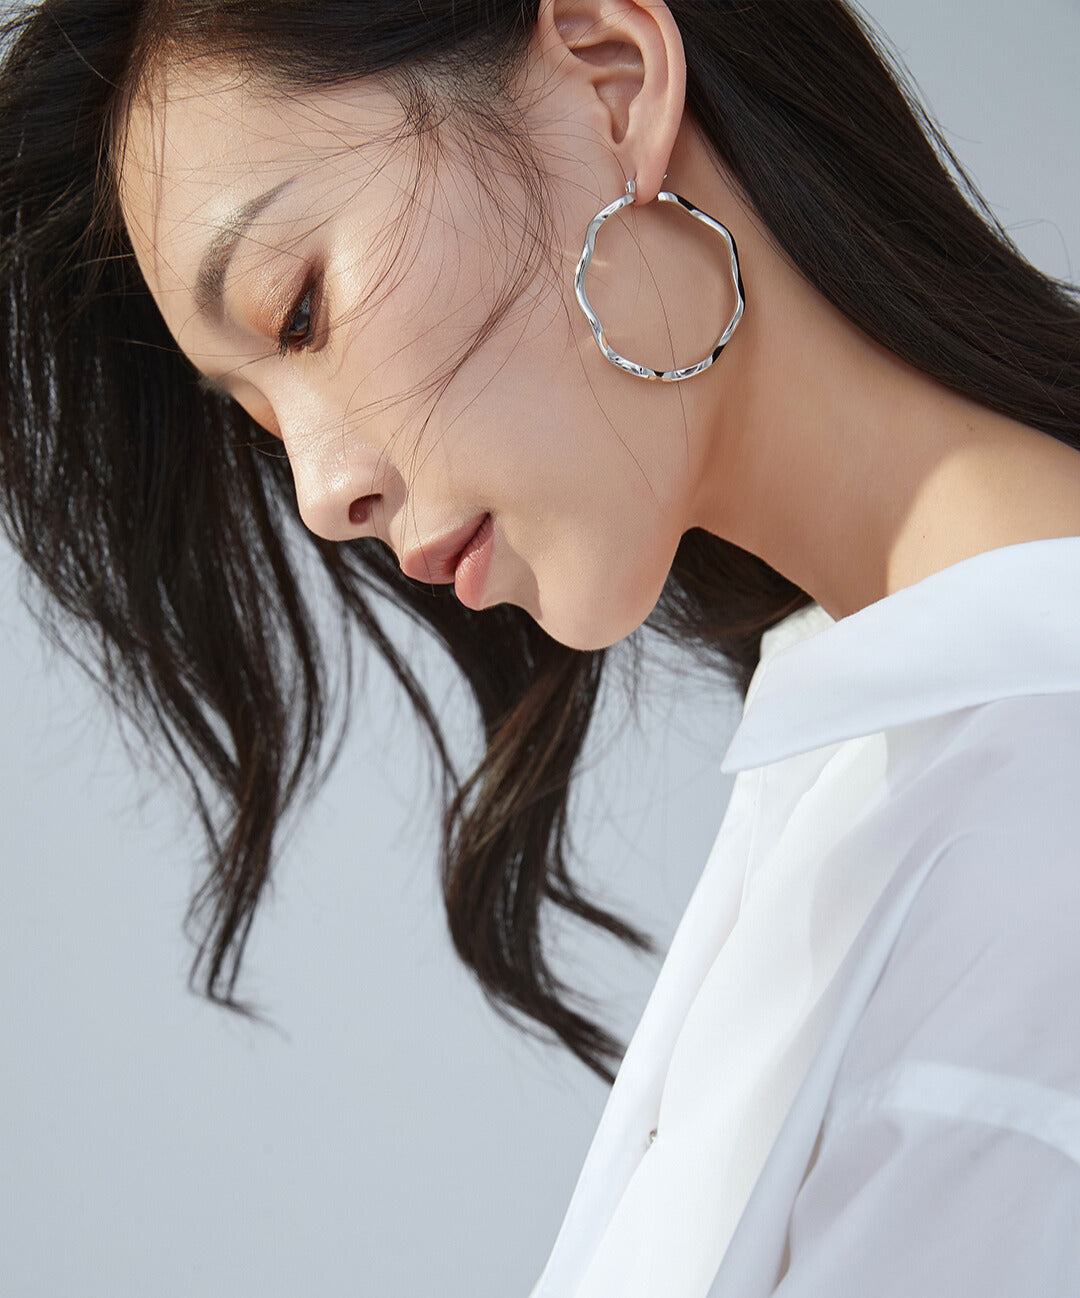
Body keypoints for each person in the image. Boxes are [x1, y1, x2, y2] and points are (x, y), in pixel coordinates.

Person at [2, 1, 1079, 1293]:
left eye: (298, 312)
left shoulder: (1025, 863)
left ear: (613, 83)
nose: (321, 496)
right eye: (261, 415)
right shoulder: (873, 769)